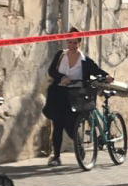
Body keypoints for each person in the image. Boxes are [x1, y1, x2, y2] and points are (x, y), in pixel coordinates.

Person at [43, 30, 112, 166]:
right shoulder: (60, 55)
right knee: (58, 124)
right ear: (66, 42)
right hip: (58, 93)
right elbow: (51, 71)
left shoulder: (84, 60)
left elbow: (96, 70)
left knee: (71, 125)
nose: (72, 45)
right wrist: (62, 78)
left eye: (75, 42)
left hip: (75, 96)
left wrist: (107, 76)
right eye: (70, 42)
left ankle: (78, 144)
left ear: (79, 43)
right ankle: (56, 156)